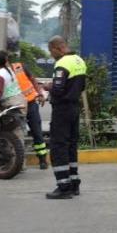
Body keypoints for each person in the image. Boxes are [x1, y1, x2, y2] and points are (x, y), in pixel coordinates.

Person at [45, 36, 86, 200]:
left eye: (51, 51)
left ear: (57, 48)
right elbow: (82, 86)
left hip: (62, 109)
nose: (51, 55)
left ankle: (63, 186)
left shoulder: (62, 64)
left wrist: (48, 87)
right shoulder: (79, 61)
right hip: (75, 107)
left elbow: (58, 89)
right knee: (71, 145)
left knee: (58, 146)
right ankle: (74, 183)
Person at [11, 57, 48, 168]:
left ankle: (42, 160)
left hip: (31, 103)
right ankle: (18, 162)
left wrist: (40, 94)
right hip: (16, 106)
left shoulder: (19, 67)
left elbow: (32, 79)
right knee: (17, 134)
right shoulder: (2, 73)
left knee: (37, 132)